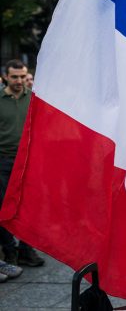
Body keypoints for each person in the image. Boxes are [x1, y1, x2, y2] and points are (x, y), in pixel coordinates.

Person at [0, 60, 44, 269]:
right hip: (4, 161)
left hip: (28, 161)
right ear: (6, 77)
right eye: (14, 77)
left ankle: (27, 250)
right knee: (4, 207)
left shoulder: (34, 99)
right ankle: (10, 252)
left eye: (22, 76)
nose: (19, 81)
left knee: (29, 207)